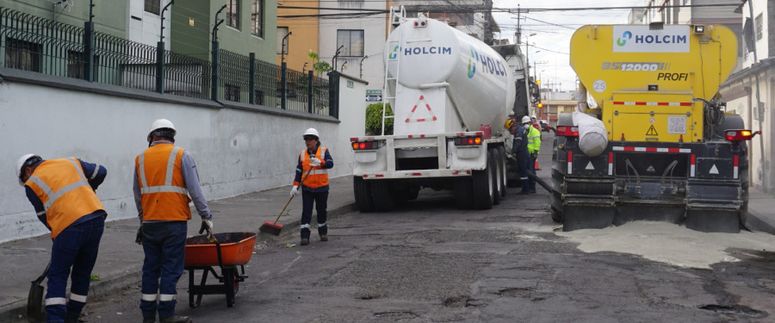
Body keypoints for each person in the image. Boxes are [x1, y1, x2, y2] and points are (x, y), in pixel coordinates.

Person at [133, 119, 213, 323]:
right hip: (173, 222)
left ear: (152, 137)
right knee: (171, 268)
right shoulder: (181, 155)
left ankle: (148, 315)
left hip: (150, 222)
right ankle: (167, 315)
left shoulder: (140, 158)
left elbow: (137, 193)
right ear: (172, 136)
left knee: (151, 267)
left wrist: (143, 220)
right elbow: (195, 190)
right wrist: (206, 216)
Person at [17, 153, 107, 323]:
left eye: (24, 178)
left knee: (58, 275)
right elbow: (101, 171)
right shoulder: (71, 162)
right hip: (96, 218)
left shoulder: (32, 183)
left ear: (27, 170)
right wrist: (89, 189)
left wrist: (57, 233)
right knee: (83, 272)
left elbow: (44, 216)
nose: (26, 182)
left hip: (68, 227)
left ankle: (56, 319)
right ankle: (72, 317)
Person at [291, 128, 334, 246]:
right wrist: (295, 186)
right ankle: (304, 236)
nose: (307, 142)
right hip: (307, 188)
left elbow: (330, 163)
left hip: (322, 188)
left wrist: (320, 162)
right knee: (306, 212)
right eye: (306, 139)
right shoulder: (302, 154)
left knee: (321, 211)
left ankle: (323, 233)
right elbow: (299, 171)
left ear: (316, 140)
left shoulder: (324, 151)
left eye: (310, 139)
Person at [513, 118, 532, 194]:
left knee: (523, 171)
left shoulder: (519, 131)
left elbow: (517, 143)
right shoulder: (522, 130)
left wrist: (513, 151)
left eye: (510, 130)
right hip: (524, 153)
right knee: (525, 171)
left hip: (522, 154)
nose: (511, 132)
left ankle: (525, 190)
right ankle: (527, 188)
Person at [525, 116, 542, 193]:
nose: (525, 124)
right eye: (524, 123)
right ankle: (528, 187)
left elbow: (538, 143)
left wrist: (535, 152)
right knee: (528, 170)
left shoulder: (535, 131)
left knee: (531, 170)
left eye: (527, 123)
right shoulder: (525, 131)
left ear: (530, 123)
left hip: (532, 154)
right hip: (527, 154)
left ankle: (532, 187)